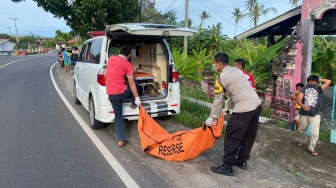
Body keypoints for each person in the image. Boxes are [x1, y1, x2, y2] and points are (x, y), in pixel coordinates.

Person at [205, 52, 262, 176]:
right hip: (257, 105)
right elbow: (237, 91)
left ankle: (227, 166)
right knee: (248, 135)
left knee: (232, 135)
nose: (214, 65)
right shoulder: (237, 71)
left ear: (219, 63)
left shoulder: (220, 78)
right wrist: (227, 107)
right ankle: (242, 161)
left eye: (215, 63)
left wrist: (212, 117)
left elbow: (217, 99)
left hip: (245, 108)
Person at [105, 45, 141, 147]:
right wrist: (137, 98)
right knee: (135, 82)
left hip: (111, 94)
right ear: (129, 55)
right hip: (121, 93)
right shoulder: (128, 64)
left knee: (118, 117)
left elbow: (110, 71)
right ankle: (134, 103)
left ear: (119, 51)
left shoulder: (111, 59)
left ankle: (121, 140)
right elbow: (131, 82)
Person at [296, 75, 331, 156]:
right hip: (304, 114)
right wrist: (303, 105)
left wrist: (319, 79)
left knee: (315, 133)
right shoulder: (304, 89)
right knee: (302, 129)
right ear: (308, 81)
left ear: (316, 82)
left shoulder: (319, 89)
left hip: (315, 115)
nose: (311, 83)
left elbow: (328, 81)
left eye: (313, 82)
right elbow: (298, 100)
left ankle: (312, 148)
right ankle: (301, 140)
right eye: (310, 81)